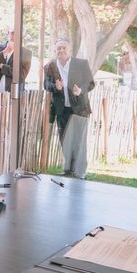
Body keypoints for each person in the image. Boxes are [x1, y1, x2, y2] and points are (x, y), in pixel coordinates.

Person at [44, 39, 94, 178]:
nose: (61, 50)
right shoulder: (50, 66)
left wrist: (81, 90)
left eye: (64, 48)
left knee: (79, 141)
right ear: (55, 51)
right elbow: (46, 84)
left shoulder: (81, 64)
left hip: (79, 109)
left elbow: (90, 83)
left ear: (70, 50)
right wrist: (56, 87)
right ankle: (69, 170)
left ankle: (80, 171)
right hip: (61, 110)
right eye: (58, 48)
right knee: (64, 139)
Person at [0, 28, 32, 93]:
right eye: (12, 33)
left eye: (17, 34)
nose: (14, 36)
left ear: (22, 36)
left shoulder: (26, 53)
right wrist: (5, 52)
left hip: (14, 93)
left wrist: (2, 66)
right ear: (8, 33)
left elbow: (22, 75)